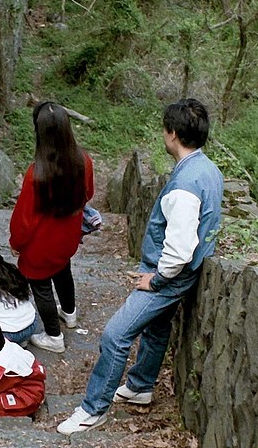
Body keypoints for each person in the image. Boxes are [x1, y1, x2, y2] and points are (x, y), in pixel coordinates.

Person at [57, 98, 224, 435]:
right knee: (157, 328)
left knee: (115, 335)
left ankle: (93, 409)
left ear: (172, 134)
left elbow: (179, 250)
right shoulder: (208, 169)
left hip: (171, 276)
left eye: (164, 129)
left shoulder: (185, 186)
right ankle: (140, 385)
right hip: (182, 273)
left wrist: (157, 280)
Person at [9, 101, 94, 353]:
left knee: (41, 287)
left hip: (40, 245)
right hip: (67, 237)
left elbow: (25, 219)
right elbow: (88, 193)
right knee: (63, 271)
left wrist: (16, 242)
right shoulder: (84, 160)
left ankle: (54, 336)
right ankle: (69, 313)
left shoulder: (36, 174)